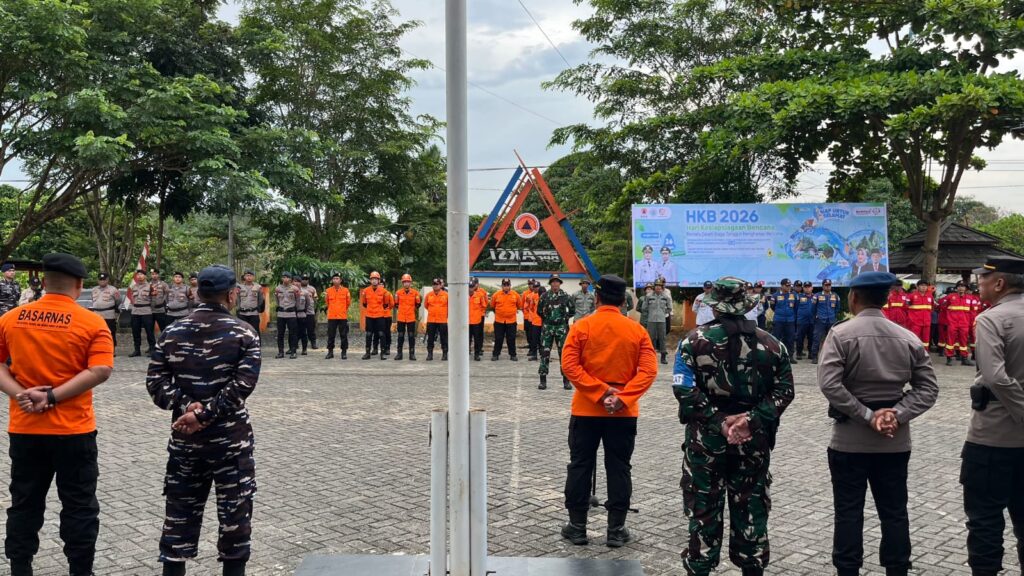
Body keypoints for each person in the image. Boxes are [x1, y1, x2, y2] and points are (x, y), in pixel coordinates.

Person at [817, 271, 939, 576]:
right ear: (886, 299)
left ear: (854, 297)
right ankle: (897, 570)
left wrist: (868, 416)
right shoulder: (907, 337)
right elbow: (929, 388)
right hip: (894, 442)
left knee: (848, 512)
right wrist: (896, 414)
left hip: (849, 441)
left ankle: (848, 570)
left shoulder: (840, 334)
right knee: (894, 512)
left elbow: (830, 385)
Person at [0, 253, 114, 576]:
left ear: (44, 282)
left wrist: (20, 394)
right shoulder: (92, 323)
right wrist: (52, 396)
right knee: (79, 507)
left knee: (24, 504)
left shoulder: (10, 320)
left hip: (25, 430)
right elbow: (102, 369)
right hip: (73, 433)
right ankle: (81, 570)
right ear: (79, 285)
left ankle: (20, 568)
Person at [673, 276, 794, 576]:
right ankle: (752, 567)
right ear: (745, 307)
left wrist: (718, 420)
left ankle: (700, 567)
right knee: (751, 507)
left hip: (706, 442)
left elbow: (684, 390)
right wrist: (750, 422)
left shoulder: (692, 342)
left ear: (714, 307)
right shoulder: (773, 344)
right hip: (752, 442)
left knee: (703, 509)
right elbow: (785, 391)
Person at [145, 264, 260, 576]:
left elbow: (156, 384)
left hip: (186, 443)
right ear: (232, 293)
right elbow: (242, 387)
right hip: (230, 446)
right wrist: (206, 413)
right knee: (235, 525)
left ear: (196, 292)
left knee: (178, 520)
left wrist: (187, 407)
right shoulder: (244, 333)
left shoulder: (171, 332)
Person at [559, 274, 657, 548]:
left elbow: (570, 366)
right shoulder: (637, 331)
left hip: (586, 409)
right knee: (619, 468)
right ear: (624, 301)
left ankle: (577, 527)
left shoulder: (582, 326)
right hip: (623, 414)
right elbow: (649, 370)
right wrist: (622, 397)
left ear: (597, 297)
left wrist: (600, 392)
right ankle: (616, 530)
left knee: (580, 466)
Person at [959, 257, 1024, 576]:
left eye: (982, 279)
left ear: (999, 283)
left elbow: (996, 378)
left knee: (985, 522)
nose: (978, 284)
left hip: (993, 438)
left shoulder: (992, 319)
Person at [538, 274, 575, 390]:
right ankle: (542, 380)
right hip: (548, 328)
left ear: (560, 283)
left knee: (564, 354)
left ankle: (566, 381)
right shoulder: (544, 296)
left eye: (557, 282)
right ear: (550, 283)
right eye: (553, 282)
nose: (555, 284)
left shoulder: (565, 296)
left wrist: (564, 319)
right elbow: (539, 311)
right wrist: (547, 319)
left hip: (561, 328)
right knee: (544, 353)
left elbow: (572, 310)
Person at [638, 279, 672, 365]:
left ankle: (663, 357)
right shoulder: (649, 296)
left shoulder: (666, 296)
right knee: (650, 338)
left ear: (662, 287)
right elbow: (644, 308)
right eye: (656, 286)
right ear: (654, 287)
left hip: (662, 320)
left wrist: (662, 313)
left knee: (662, 338)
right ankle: (651, 357)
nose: (658, 288)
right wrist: (650, 314)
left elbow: (669, 308)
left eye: (659, 286)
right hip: (651, 320)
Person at [360, 271, 392, 360]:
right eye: (372, 279)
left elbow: (386, 304)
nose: (374, 281)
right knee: (369, 334)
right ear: (370, 280)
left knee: (382, 334)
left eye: (376, 279)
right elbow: (364, 303)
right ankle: (367, 353)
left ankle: (383, 353)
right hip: (369, 316)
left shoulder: (384, 291)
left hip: (380, 316)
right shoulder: (366, 291)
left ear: (379, 280)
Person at [942, 281, 975, 366]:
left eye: (963, 286)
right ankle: (949, 358)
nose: (961, 288)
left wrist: (971, 323)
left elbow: (972, 312)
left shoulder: (970, 298)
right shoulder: (950, 297)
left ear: (966, 288)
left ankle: (964, 359)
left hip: (964, 324)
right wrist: (947, 322)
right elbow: (944, 309)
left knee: (963, 342)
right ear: (957, 288)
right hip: (952, 323)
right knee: (950, 341)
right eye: (959, 286)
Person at [810, 279, 841, 364]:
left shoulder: (835, 296)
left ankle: (831, 357)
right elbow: (813, 309)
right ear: (823, 286)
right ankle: (814, 357)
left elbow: (837, 308)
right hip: (820, 320)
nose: (828, 286)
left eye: (829, 285)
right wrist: (817, 316)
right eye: (826, 285)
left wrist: (833, 315)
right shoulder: (817, 296)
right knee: (817, 338)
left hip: (831, 320)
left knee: (831, 339)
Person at [128, 268, 157, 357]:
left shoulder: (150, 286)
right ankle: (137, 350)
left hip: (146, 311)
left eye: (141, 274)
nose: (139, 276)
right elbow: (132, 299)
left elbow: (154, 300)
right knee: (135, 332)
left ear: (145, 276)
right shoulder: (134, 287)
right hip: (135, 311)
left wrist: (150, 308)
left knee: (149, 332)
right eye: (138, 275)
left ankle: (152, 349)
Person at [768, 278, 799, 363]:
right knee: (776, 338)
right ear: (782, 286)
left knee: (790, 339)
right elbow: (772, 307)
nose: (788, 287)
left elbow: (796, 307)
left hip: (790, 320)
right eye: (787, 286)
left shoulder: (794, 295)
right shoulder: (775, 296)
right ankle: (775, 356)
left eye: (789, 286)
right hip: (779, 320)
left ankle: (790, 356)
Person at [490, 278, 521, 361]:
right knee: (498, 338)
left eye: (508, 285)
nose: (506, 287)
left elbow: (519, 305)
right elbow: (492, 306)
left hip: (511, 321)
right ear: (502, 286)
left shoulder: (515, 295)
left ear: (510, 286)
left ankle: (513, 355)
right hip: (499, 321)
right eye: (504, 285)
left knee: (511, 338)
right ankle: (495, 354)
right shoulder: (496, 295)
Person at [91, 272, 122, 350]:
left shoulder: (113, 289)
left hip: (109, 314)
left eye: (104, 280)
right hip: (97, 315)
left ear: (107, 280)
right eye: (100, 280)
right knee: (97, 333)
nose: (102, 281)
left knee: (111, 332)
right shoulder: (94, 289)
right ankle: (99, 348)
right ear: (98, 280)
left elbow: (118, 300)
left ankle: (112, 349)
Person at [393, 273, 421, 361]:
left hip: (411, 317)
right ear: (402, 283)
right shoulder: (398, 293)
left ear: (410, 283)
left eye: (408, 282)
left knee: (411, 336)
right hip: (401, 317)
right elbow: (396, 304)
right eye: (404, 282)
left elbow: (418, 304)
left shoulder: (415, 293)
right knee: (400, 335)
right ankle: (399, 353)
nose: (406, 283)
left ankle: (412, 354)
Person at [273, 272, 301, 359]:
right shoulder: (278, 288)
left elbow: (298, 301)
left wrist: (294, 309)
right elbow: (277, 300)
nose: (285, 279)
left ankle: (293, 352)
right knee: (280, 333)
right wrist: (280, 307)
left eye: (287, 277)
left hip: (291, 313)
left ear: (290, 279)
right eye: (283, 277)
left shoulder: (295, 289)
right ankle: (280, 352)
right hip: (281, 314)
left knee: (293, 333)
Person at [324, 274, 351, 360]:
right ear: (332, 280)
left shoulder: (346, 291)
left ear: (340, 280)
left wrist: (342, 310)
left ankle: (344, 352)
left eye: (337, 278)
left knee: (343, 335)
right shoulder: (328, 291)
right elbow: (327, 302)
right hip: (332, 316)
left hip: (342, 316)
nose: (335, 280)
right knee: (331, 335)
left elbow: (348, 303)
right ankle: (330, 352)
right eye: (334, 278)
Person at [424, 278, 449, 361]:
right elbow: (426, 305)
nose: (435, 286)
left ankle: (445, 354)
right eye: (434, 284)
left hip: (442, 320)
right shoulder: (429, 295)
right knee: (430, 338)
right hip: (431, 320)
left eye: (437, 284)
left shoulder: (446, 295)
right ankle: (430, 354)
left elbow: (450, 306)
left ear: (440, 285)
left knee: (444, 338)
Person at [235, 270, 264, 337]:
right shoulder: (239, 287)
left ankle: (257, 346)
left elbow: (261, 299)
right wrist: (238, 308)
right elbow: (237, 299)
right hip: (242, 313)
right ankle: (244, 347)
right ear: (244, 277)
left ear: (253, 277)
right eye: (247, 275)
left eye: (251, 275)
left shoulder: (258, 287)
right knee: (242, 332)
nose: (249, 277)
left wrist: (257, 308)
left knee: (255, 331)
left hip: (254, 313)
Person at [905, 281, 934, 348]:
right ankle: (914, 354)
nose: (924, 287)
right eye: (921, 285)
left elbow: (932, 308)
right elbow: (906, 307)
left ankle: (925, 353)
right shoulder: (911, 296)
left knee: (926, 341)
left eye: (925, 286)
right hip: (915, 322)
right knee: (915, 339)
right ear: (917, 287)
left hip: (926, 323)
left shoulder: (930, 296)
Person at [468, 277, 488, 361]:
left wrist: (479, 314)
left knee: (477, 337)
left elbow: (484, 305)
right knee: (467, 338)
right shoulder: (463, 295)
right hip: (467, 321)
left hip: (477, 320)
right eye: (469, 286)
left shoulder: (480, 294)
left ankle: (477, 353)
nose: (471, 288)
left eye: (472, 286)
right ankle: (467, 351)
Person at [794, 281, 815, 359]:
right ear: (803, 288)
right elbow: (795, 308)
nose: (807, 288)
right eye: (805, 287)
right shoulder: (798, 297)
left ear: (812, 288)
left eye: (809, 287)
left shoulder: (815, 297)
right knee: (800, 338)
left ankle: (811, 353)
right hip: (801, 321)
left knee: (811, 338)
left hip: (812, 321)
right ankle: (799, 353)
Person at [520, 279, 540, 361]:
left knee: (534, 335)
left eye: (532, 284)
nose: (531, 286)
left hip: (536, 319)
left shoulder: (540, 294)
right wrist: (526, 314)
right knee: (528, 334)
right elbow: (523, 305)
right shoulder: (525, 294)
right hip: (527, 317)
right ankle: (531, 348)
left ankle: (533, 349)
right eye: (530, 284)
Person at [300, 275, 318, 353]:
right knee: (299, 329)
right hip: (300, 312)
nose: (305, 281)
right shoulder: (298, 288)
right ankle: (296, 344)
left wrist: (314, 302)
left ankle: (313, 343)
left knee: (311, 329)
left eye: (306, 279)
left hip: (310, 312)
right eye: (303, 279)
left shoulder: (312, 288)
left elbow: (316, 298)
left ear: (308, 280)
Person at [294, 277, 309, 355]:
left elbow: (308, 304)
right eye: (295, 281)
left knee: (303, 333)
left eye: (298, 282)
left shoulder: (305, 292)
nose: (296, 283)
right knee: (293, 332)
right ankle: (293, 348)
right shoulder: (290, 292)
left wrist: (303, 311)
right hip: (292, 315)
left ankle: (304, 349)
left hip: (302, 315)